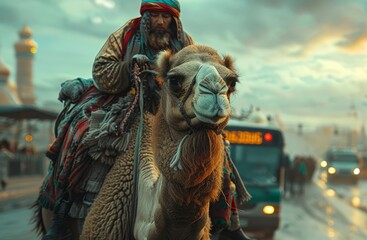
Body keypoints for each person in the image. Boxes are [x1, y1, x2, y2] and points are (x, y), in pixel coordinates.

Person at [37, 1, 254, 239]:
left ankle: (229, 222)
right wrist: (129, 67)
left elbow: (193, 79)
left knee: (216, 147)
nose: (160, 22)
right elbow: (101, 70)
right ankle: (61, 207)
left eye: (165, 16)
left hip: (172, 109)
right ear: (146, 17)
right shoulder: (126, 35)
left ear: (174, 20)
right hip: (124, 100)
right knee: (80, 130)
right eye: (155, 16)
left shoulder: (186, 45)